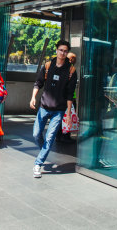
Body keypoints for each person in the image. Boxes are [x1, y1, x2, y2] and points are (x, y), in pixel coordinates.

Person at [30, 40, 77, 178]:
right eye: (61, 50)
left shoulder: (71, 71)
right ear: (56, 50)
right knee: (36, 134)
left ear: (67, 53)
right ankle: (43, 152)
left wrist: (68, 113)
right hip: (44, 107)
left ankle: (38, 163)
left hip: (59, 110)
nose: (63, 53)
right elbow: (38, 83)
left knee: (50, 138)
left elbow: (70, 94)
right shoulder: (48, 66)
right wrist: (33, 97)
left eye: (65, 51)